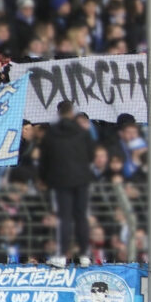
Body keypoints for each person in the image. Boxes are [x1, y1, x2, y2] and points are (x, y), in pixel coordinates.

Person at [39, 101, 96, 267]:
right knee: (81, 217)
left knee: (64, 218)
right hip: (82, 179)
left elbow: (45, 159)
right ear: (72, 112)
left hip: (61, 180)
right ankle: (84, 256)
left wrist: (44, 178)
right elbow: (91, 155)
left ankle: (62, 256)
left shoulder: (52, 132)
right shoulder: (83, 132)